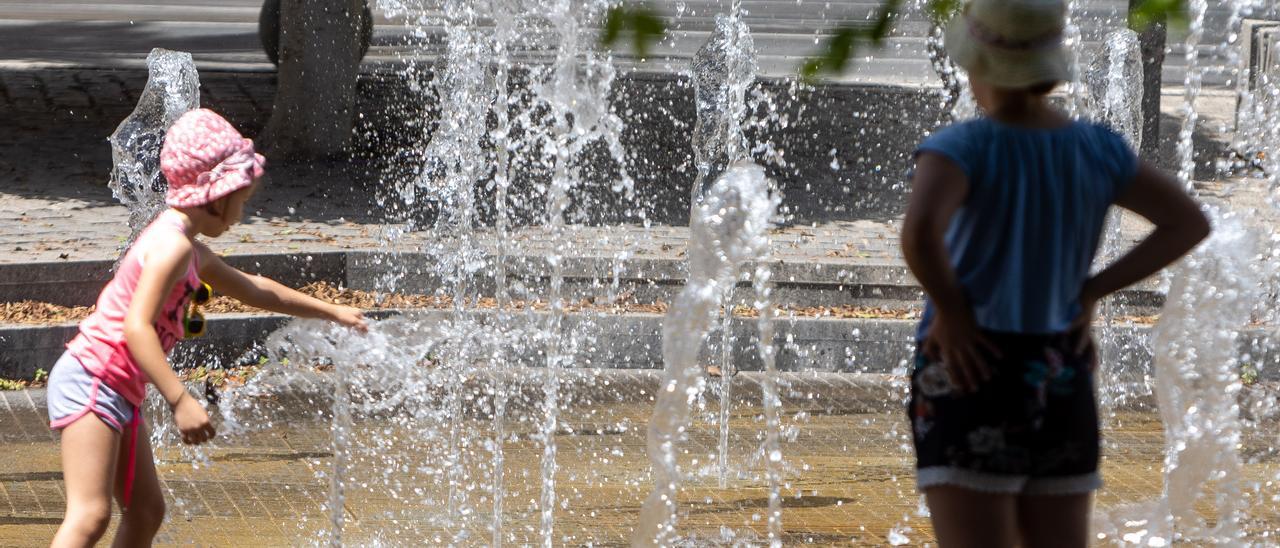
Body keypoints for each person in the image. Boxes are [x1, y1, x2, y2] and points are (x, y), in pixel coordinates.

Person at [899, 0, 1211, 546]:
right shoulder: (1096, 148)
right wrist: (1092, 290)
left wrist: (951, 309)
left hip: (970, 362)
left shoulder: (960, 148)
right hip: (1059, 364)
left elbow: (921, 233)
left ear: (978, 68)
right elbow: (1186, 222)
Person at [47, 109, 368, 547]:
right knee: (90, 515)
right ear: (217, 195)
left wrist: (332, 311)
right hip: (92, 381)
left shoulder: (190, 251)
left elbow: (256, 290)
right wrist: (179, 399)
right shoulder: (171, 248)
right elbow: (136, 326)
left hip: (117, 387)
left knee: (145, 511)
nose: (241, 214)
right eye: (242, 201)